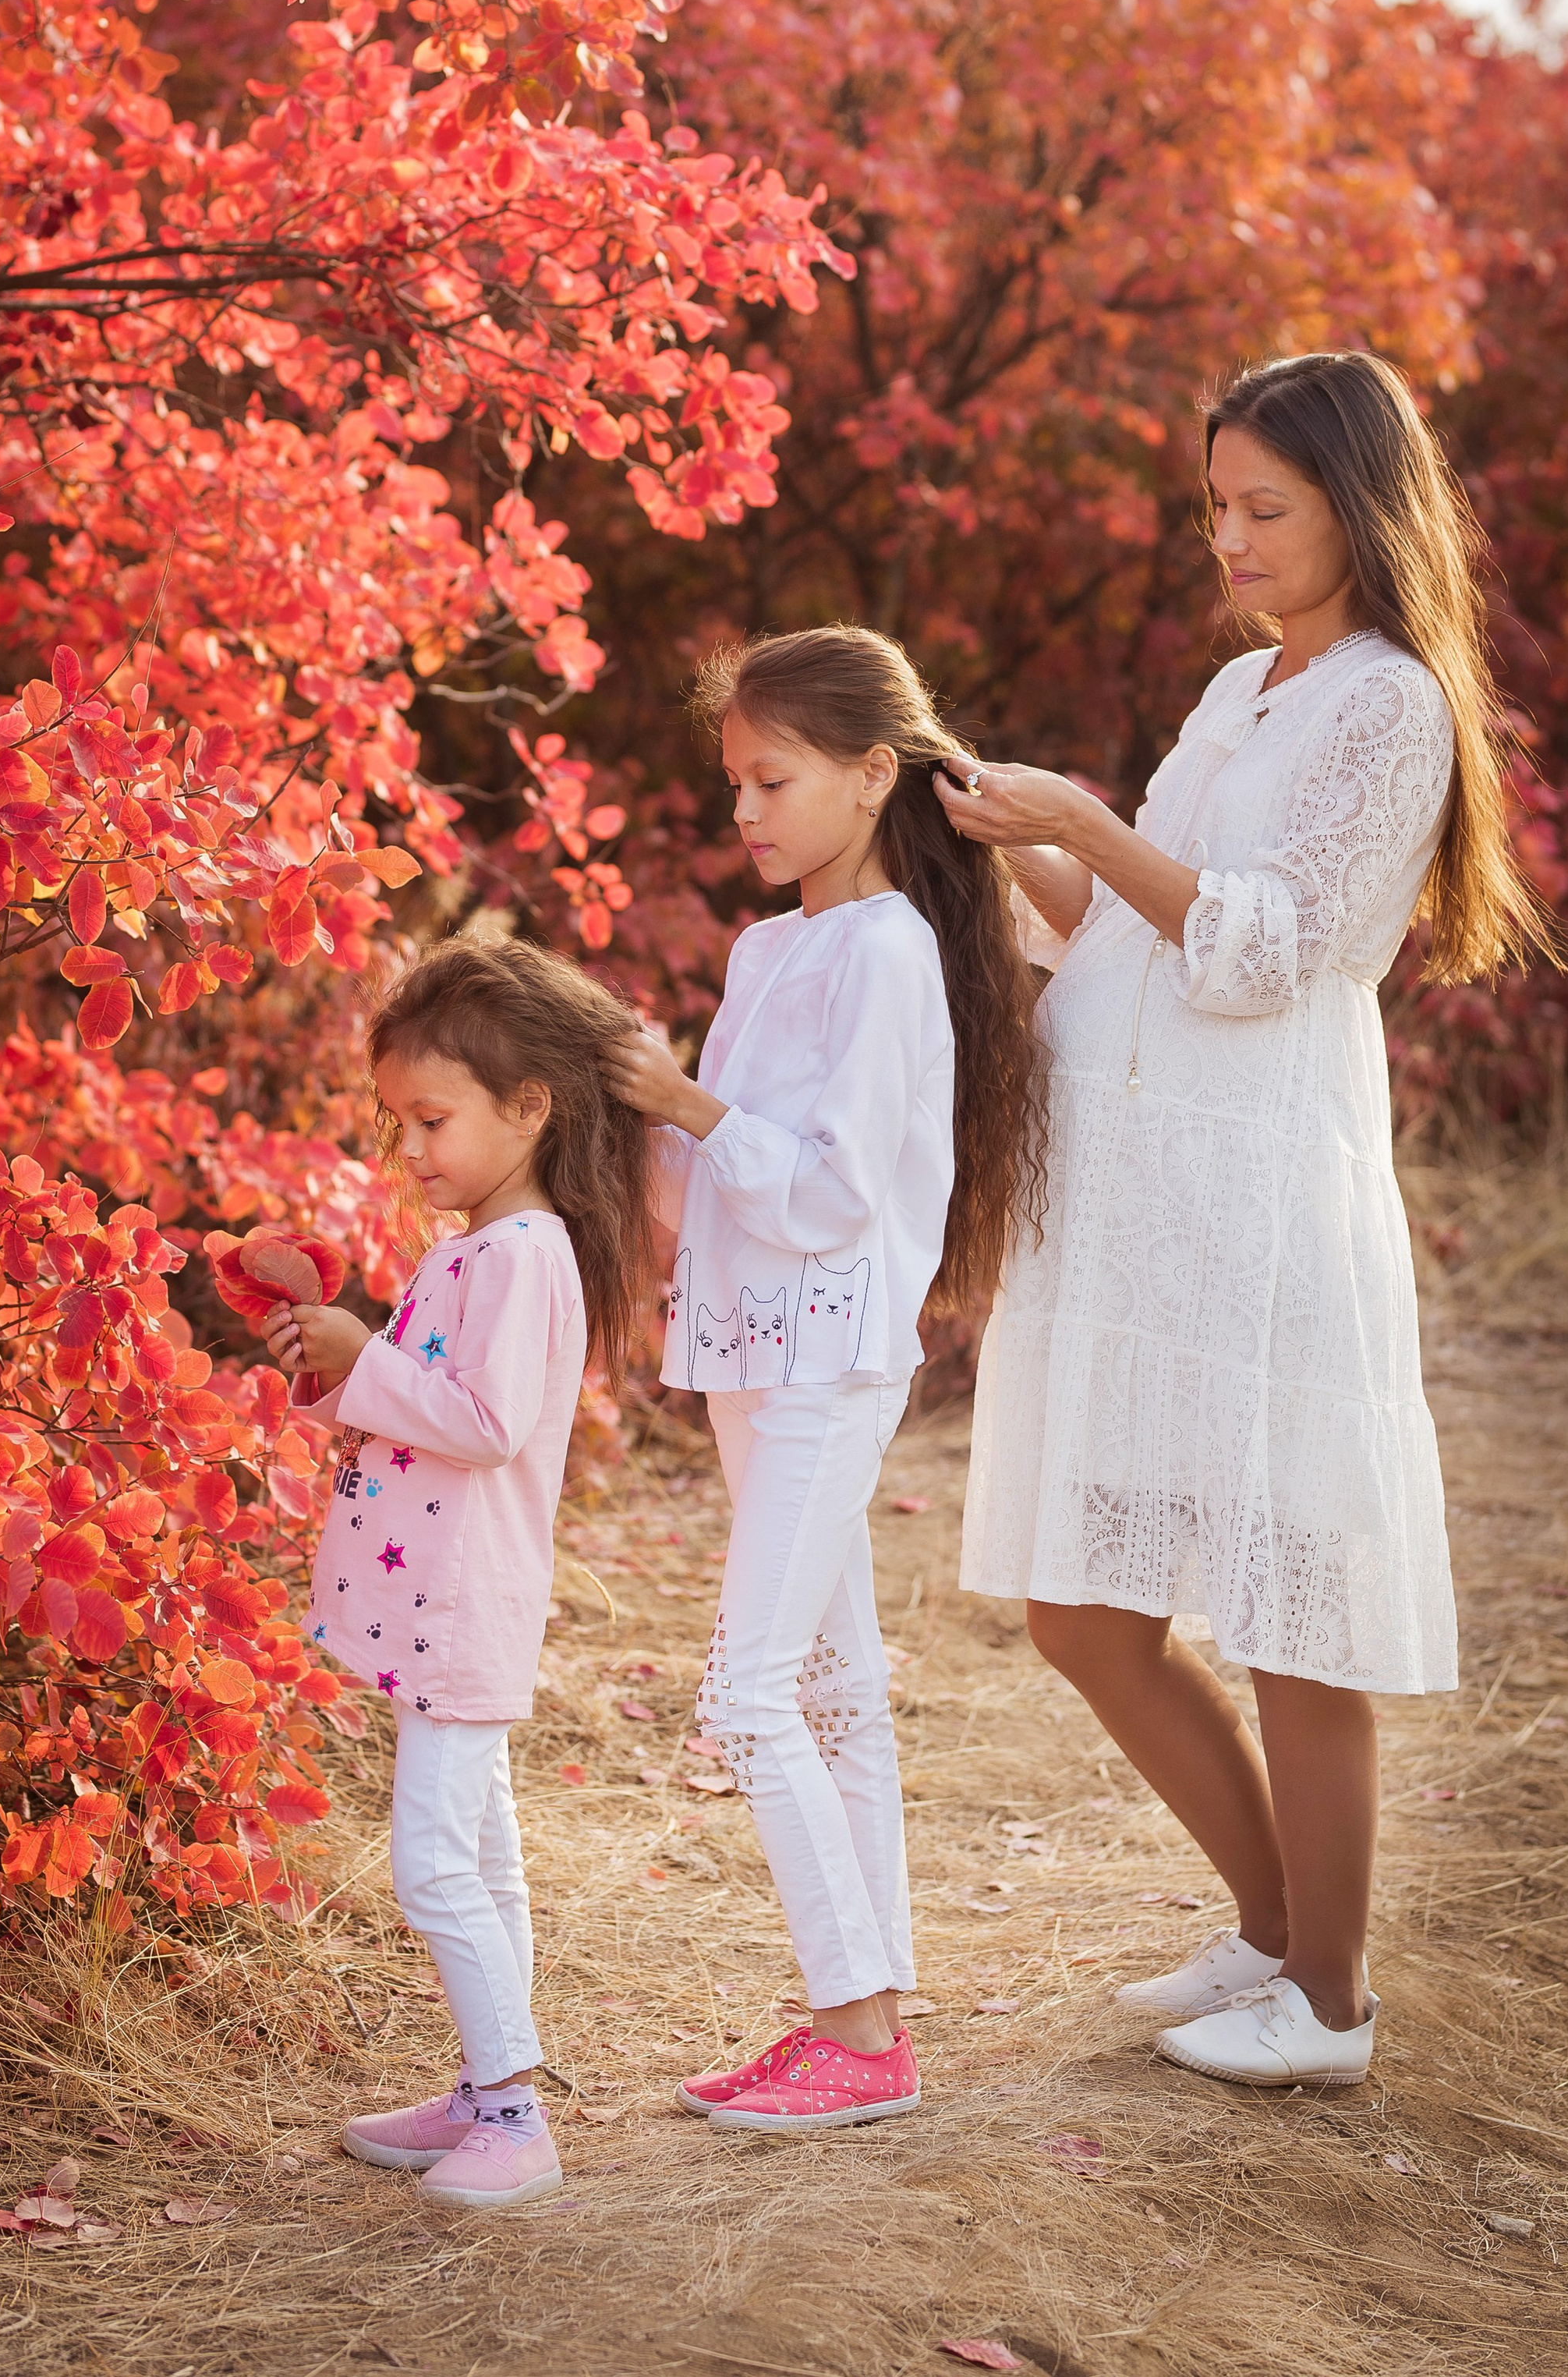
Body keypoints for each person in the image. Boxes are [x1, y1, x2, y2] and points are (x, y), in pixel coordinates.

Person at [938, 351, 1557, 2089]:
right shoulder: (1238, 687)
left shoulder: (1391, 706)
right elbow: (1126, 917)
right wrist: (1005, 832)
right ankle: (1274, 1932)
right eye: (1214, 506)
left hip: (1262, 1194)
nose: (1228, 539)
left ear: (1358, 508)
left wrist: (1086, 820)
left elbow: (1262, 946)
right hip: (1131, 1200)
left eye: (1263, 508)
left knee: (1288, 1603)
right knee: (1084, 1609)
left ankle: (1330, 2006)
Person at [606, 626, 1044, 2132]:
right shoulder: (766, 949)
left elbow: (834, 1195)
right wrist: (631, 1110)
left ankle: (854, 2027)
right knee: (836, 1690)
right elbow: (709, 1196)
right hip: (745, 1352)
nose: (744, 811)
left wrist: (689, 1104)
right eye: (733, 781)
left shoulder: (891, 951)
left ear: (871, 776)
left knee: (748, 1694)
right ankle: (871, 2025)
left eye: (772, 779)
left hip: (830, 1359)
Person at [263, 937, 652, 2210]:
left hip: (464, 1605)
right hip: (436, 1595)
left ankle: (517, 2115)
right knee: (480, 1854)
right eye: (399, 1123)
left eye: (434, 1119)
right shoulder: (477, 1246)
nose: (412, 1148)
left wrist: (364, 1353)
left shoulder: (527, 1253)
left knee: (434, 1863)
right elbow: (422, 1404)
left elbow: (485, 1423)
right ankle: (489, 2093)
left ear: (530, 1107)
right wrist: (340, 1367)